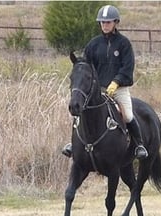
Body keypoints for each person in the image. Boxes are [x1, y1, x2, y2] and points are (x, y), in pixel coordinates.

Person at [62, 4, 148, 160]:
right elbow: (86, 66)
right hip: (97, 89)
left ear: (115, 23)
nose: (105, 25)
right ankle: (73, 145)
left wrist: (116, 82)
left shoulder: (124, 44)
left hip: (119, 89)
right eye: (102, 22)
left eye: (108, 22)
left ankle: (139, 145)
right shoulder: (93, 44)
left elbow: (127, 67)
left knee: (128, 116)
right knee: (80, 113)